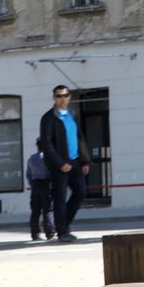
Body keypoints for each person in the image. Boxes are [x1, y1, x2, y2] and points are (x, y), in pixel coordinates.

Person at [39, 84, 88, 243]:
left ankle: (63, 223)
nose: (62, 99)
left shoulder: (72, 115)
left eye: (65, 95)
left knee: (80, 192)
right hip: (59, 165)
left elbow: (79, 138)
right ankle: (62, 232)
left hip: (75, 162)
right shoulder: (48, 118)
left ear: (69, 97)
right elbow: (47, 144)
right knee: (60, 198)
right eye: (58, 96)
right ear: (54, 98)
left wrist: (85, 159)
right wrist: (60, 163)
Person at [27, 139, 55, 241]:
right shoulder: (48, 158)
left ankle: (35, 233)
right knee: (48, 210)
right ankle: (50, 232)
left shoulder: (31, 158)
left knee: (35, 211)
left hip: (35, 185)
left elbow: (28, 174)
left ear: (36, 145)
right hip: (46, 184)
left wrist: (32, 184)